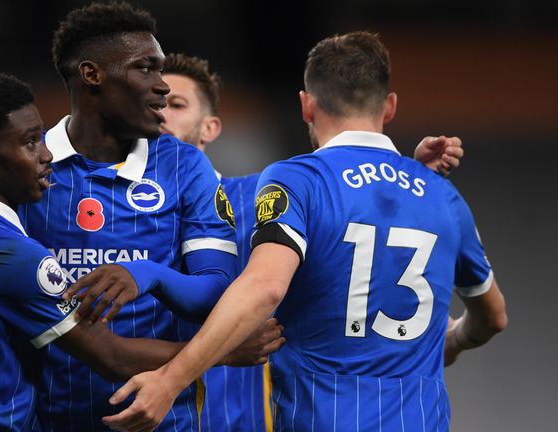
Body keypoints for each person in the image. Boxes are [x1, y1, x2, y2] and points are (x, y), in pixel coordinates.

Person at [0, 3, 263, 431]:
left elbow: (215, 291)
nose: (161, 86)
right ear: (92, 75)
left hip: (159, 417)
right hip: (47, 417)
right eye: (145, 69)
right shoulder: (20, 164)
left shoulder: (186, 168)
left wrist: (147, 275)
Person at [101, 31, 507, 432]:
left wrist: (171, 379)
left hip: (319, 418)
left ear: (307, 106)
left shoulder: (296, 180)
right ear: (390, 107)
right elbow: (493, 316)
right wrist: (453, 340)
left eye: (176, 103)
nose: (163, 114)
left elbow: (265, 287)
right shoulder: (442, 197)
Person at [0, 70, 219, 431]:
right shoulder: (13, 254)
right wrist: (220, 350)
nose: (47, 154)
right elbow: (111, 356)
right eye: (30, 143)